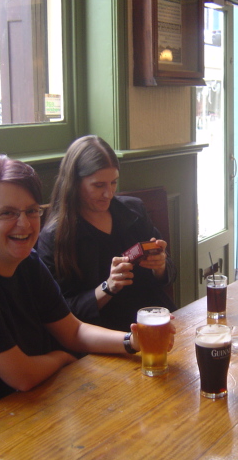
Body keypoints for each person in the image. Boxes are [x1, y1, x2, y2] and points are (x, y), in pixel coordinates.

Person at [0, 155, 174, 460]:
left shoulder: (27, 262)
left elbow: (73, 330)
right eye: (7, 213)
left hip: (0, 413)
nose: (24, 224)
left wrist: (133, 341)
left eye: (31, 211)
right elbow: (22, 375)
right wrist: (62, 358)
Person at [37, 135, 176, 332]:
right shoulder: (55, 237)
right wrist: (108, 287)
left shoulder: (133, 211)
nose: (108, 193)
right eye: (98, 185)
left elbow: (170, 273)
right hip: (105, 335)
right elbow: (62, 312)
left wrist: (160, 266)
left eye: (113, 182)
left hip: (155, 322)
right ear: (74, 183)